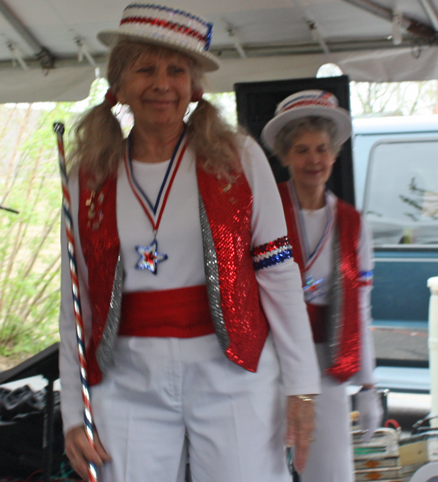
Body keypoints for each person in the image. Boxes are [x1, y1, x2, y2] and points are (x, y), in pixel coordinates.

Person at [58, 5, 321, 482]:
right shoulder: (88, 175)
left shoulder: (238, 158)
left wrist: (302, 385)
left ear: (195, 87)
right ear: (118, 85)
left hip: (234, 373)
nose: (162, 84)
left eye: (176, 70)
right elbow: (73, 302)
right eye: (145, 69)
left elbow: (278, 271)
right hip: (126, 379)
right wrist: (74, 410)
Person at [261, 90, 383, 482]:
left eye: (322, 149)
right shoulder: (263, 210)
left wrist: (368, 386)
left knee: (329, 470)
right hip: (270, 359)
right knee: (264, 466)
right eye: (301, 150)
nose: (313, 159)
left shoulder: (353, 222)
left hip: (328, 363)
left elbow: (361, 306)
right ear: (284, 156)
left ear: (334, 154)